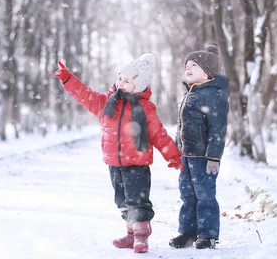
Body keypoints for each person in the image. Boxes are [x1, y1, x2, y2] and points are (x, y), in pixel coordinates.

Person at [54, 54, 183, 254]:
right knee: (121, 200)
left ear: (138, 86)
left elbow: (159, 134)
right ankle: (131, 234)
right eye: (120, 78)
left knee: (137, 200)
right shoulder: (107, 101)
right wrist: (68, 79)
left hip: (137, 163)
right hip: (114, 162)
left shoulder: (145, 107)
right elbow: (85, 95)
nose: (120, 83)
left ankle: (141, 236)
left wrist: (173, 155)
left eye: (127, 81)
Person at [169, 45, 230, 250]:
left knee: (205, 195)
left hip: (204, 157)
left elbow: (218, 128)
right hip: (186, 156)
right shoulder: (191, 93)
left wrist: (214, 156)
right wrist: (177, 151)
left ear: (207, 72)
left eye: (194, 65)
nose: (188, 68)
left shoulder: (212, 95)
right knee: (187, 194)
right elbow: (182, 127)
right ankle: (187, 232)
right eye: (187, 65)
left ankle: (207, 235)